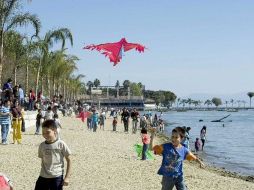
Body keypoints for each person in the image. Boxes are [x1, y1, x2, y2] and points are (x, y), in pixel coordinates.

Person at [34, 120, 71, 190]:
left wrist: (67, 177)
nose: (45, 135)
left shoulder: (61, 144)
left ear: (54, 131)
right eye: (43, 133)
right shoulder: (42, 145)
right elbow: (43, 160)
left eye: (48, 132)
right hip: (43, 176)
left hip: (57, 177)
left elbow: (69, 160)